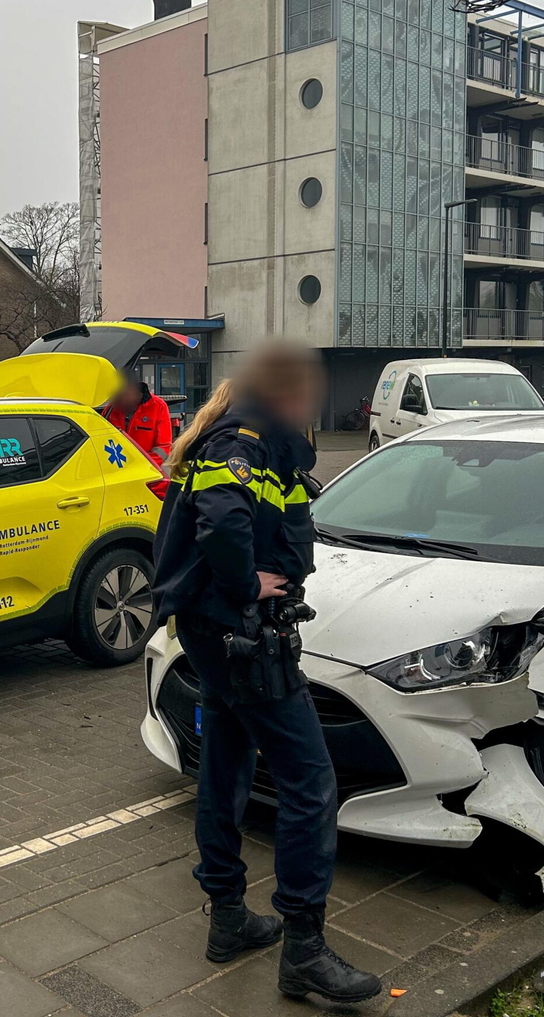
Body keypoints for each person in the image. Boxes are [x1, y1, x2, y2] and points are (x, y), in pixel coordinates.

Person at [151, 342, 381, 1004]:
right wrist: (248, 584)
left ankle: (228, 917)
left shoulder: (246, 434)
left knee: (225, 765)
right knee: (311, 781)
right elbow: (223, 520)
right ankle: (304, 948)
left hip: (216, 633)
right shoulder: (244, 437)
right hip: (241, 636)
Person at [103, 374, 173, 468]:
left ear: (132, 389)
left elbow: (163, 447)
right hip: (115, 468)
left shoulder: (158, 407)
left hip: (146, 470)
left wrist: (143, 466)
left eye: (119, 396)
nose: (114, 401)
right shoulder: (111, 409)